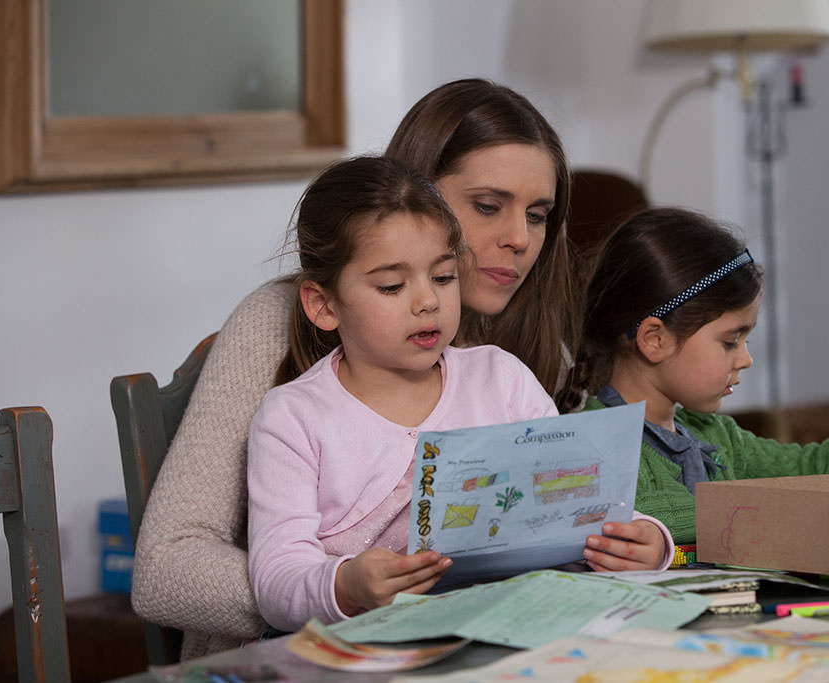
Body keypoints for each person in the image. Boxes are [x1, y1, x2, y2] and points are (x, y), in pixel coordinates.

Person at [131, 79, 578, 659]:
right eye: (488, 207)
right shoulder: (276, 323)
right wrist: (340, 592)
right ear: (417, 195)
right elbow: (165, 569)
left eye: (538, 215)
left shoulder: (520, 355)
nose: (519, 238)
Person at [246, 156, 671, 633]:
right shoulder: (294, 416)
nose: (428, 301)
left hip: (512, 630)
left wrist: (647, 539)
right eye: (391, 285)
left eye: (444, 277)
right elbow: (276, 578)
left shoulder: (500, 378)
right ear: (324, 306)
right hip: (376, 646)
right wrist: (345, 585)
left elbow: (578, 495)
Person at [558, 206, 829, 546]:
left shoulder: (716, 435)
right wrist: (768, 509)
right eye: (730, 341)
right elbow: (653, 515)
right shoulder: (595, 439)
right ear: (655, 339)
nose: (746, 359)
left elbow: (809, 472)